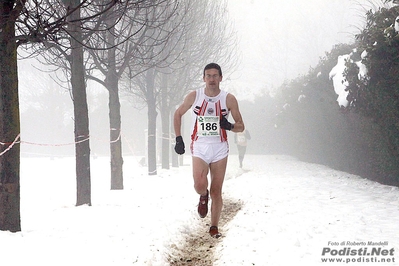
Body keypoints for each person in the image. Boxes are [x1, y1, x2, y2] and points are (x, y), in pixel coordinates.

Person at [173, 63, 245, 238]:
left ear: (220, 78)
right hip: (199, 146)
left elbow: (241, 126)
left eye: (215, 76)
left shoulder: (229, 99)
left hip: (220, 147)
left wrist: (228, 125)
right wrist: (178, 138)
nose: (212, 79)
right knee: (199, 184)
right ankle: (202, 195)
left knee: (216, 190)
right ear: (204, 78)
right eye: (208, 76)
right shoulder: (195, 96)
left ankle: (214, 227)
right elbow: (178, 114)